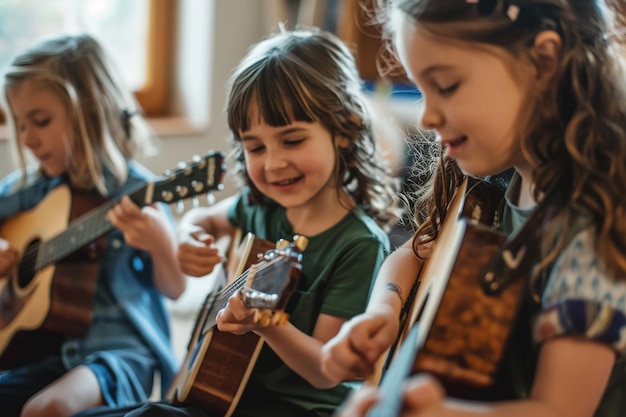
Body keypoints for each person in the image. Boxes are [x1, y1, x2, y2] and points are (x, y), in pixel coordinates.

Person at [72, 25, 401, 417]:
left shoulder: (359, 245)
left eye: (292, 140)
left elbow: (325, 372)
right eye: (255, 147)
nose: (273, 163)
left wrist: (264, 325)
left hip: (296, 408)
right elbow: (203, 218)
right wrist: (189, 237)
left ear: (345, 130)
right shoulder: (258, 207)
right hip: (219, 388)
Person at [321, 0, 626, 416]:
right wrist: (384, 312)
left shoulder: (593, 226)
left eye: (445, 86)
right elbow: (414, 253)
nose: (426, 116)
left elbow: (561, 408)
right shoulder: (494, 177)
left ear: (544, 61)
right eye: (420, 89)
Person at [0, 34, 186, 417]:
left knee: (45, 410)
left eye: (40, 121)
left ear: (89, 111)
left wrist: (161, 244)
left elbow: (175, 288)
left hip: (119, 353)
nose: (28, 139)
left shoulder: (139, 192)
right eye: (19, 125)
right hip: (47, 350)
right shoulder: (31, 191)